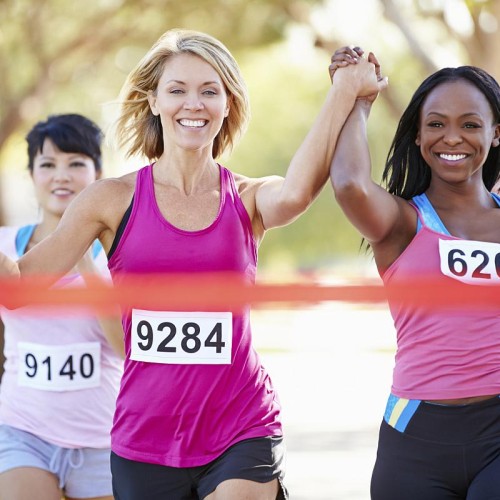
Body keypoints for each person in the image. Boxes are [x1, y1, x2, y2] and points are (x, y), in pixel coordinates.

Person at [0, 30, 385, 500]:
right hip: (145, 440)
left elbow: (298, 192)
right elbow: (18, 289)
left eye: (209, 91)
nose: (193, 104)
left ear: (228, 104)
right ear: (154, 102)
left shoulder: (246, 197)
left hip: (241, 426)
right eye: (177, 90)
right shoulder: (109, 200)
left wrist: (345, 92)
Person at [330, 47, 500, 499]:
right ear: (420, 136)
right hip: (416, 435)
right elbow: (349, 184)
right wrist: (357, 101)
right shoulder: (402, 223)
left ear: (496, 134)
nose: (452, 137)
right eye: (436, 124)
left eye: (470, 124)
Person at [0, 113, 124, 500]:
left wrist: (83, 252)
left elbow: (126, 347)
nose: (61, 176)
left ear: (99, 173)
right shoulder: (6, 247)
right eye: (48, 165)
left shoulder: (122, 256)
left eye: (76, 163)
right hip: (23, 433)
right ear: (32, 175)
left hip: (103, 440)